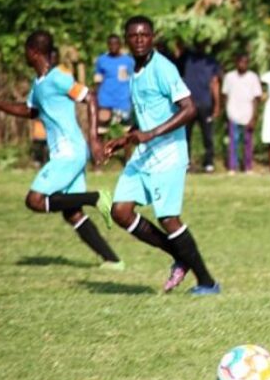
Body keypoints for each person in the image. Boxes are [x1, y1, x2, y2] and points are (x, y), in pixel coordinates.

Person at [0, 31, 122, 269]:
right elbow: (29, 111)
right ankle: (113, 261)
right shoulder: (39, 83)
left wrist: (94, 139)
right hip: (67, 153)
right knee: (72, 212)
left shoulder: (58, 77)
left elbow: (90, 97)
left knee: (34, 200)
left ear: (33, 52)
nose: (24, 55)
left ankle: (97, 197)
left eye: (25, 51)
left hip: (69, 152)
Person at [103, 16, 218, 295]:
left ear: (153, 37)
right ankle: (179, 254)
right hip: (144, 155)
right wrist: (126, 137)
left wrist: (151, 134)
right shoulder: (135, 72)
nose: (139, 39)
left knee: (169, 219)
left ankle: (207, 282)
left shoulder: (163, 68)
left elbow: (189, 109)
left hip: (168, 155)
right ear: (127, 39)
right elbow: (147, 116)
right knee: (120, 211)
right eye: (134, 35)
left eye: (145, 34)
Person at [176, 42, 221, 173]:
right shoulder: (187, 59)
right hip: (188, 105)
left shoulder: (211, 61)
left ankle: (208, 163)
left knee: (207, 135)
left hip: (205, 104)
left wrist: (217, 105)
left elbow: (215, 83)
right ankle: (186, 163)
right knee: (186, 135)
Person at [221, 52, 262, 174]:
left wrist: (254, 117)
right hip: (233, 114)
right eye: (240, 62)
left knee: (248, 142)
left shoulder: (253, 77)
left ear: (248, 64)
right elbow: (225, 95)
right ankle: (232, 167)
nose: (242, 65)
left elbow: (256, 99)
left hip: (247, 115)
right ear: (236, 63)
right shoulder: (229, 77)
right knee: (233, 142)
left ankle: (248, 167)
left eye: (245, 62)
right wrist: (227, 112)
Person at [93, 33, 134, 142]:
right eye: (110, 44)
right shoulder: (102, 60)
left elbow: (133, 79)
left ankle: (128, 157)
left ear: (120, 44)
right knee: (101, 130)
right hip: (105, 100)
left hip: (123, 101)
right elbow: (98, 79)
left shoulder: (128, 61)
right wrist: (96, 97)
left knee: (127, 132)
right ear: (107, 45)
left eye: (116, 44)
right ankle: (101, 155)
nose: (113, 46)